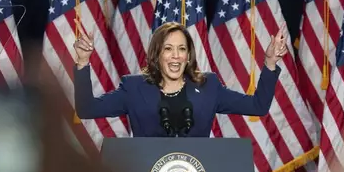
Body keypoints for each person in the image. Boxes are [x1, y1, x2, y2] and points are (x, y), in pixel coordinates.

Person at [72, 22, 289, 137]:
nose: (176, 55)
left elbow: (258, 106)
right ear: (156, 54)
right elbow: (87, 109)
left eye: (182, 49)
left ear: (188, 56)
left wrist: (270, 63)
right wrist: (82, 62)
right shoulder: (134, 88)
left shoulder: (208, 86)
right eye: (168, 49)